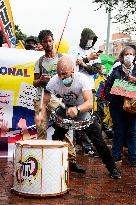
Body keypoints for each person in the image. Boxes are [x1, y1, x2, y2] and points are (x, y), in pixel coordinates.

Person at [38, 55, 121, 179]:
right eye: (59, 74)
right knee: (56, 139)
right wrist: (41, 114)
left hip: (82, 109)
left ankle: (112, 169)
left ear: (73, 70)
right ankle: (54, 166)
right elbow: (44, 101)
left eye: (65, 74)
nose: (62, 77)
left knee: (99, 142)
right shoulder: (54, 81)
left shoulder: (82, 79)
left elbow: (89, 103)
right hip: (66, 109)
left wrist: (77, 109)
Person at [33, 30, 85, 173]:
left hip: (60, 100)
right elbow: (34, 82)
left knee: (67, 130)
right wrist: (40, 80)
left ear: (53, 40)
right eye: (45, 41)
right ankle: (40, 160)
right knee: (41, 130)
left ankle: (72, 161)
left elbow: (73, 77)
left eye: (50, 41)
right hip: (42, 99)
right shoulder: (39, 62)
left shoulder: (63, 58)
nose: (48, 44)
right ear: (41, 43)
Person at [104, 46, 136, 166]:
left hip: (133, 107)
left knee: (133, 132)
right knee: (119, 131)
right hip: (117, 107)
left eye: (131, 54)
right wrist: (118, 91)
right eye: (126, 54)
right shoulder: (115, 69)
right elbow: (107, 88)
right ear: (122, 57)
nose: (128, 56)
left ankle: (133, 158)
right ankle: (116, 156)